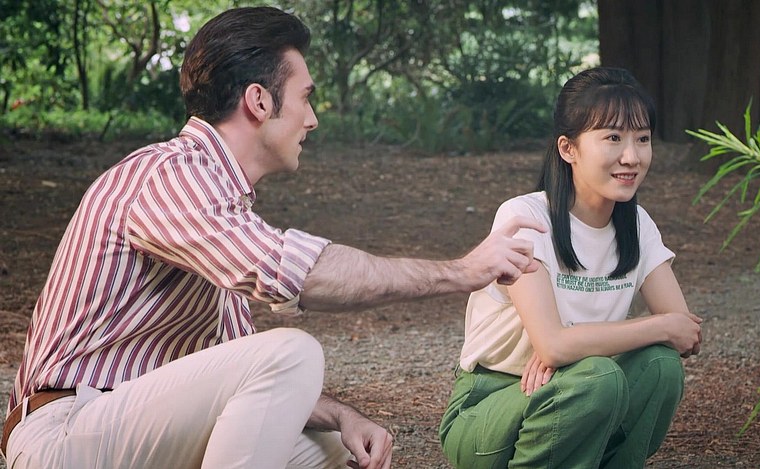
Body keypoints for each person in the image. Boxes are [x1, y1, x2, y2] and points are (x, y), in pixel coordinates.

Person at [2, 7, 547, 469]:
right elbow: (299, 277)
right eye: (305, 98)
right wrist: (462, 271)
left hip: (127, 427)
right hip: (64, 433)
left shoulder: (220, 206)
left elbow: (236, 372)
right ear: (260, 101)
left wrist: (341, 415)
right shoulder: (170, 175)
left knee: (335, 448)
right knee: (291, 351)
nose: (312, 120)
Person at [438, 67, 703, 468]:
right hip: (490, 408)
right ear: (568, 148)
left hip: (576, 392)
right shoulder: (525, 218)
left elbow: (684, 334)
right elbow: (554, 345)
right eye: (613, 138)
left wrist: (573, 347)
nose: (631, 157)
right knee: (597, 377)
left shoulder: (636, 225)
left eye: (642, 138)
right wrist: (570, 348)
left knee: (660, 367)